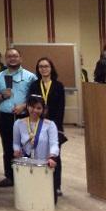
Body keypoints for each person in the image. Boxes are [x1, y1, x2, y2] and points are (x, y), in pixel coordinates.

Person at [0, 47, 37, 187]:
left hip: (24, 116)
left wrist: (24, 105)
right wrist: (2, 96)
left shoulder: (30, 77)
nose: (12, 58)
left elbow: (36, 98)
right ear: (6, 59)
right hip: (5, 116)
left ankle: (25, 174)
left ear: (20, 58)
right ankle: (10, 176)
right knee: (8, 146)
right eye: (9, 56)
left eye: (15, 56)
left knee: (26, 146)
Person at [29, 57, 65, 196]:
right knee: (37, 154)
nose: (43, 69)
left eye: (46, 66)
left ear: (51, 68)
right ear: (38, 69)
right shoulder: (34, 85)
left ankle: (56, 186)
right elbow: (31, 105)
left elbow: (61, 108)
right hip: (37, 124)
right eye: (41, 67)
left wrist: (58, 127)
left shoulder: (58, 86)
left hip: (54, 124)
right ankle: (39, 183)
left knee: (54, 156)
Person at [12, 95, 59, 201]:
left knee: (46, 198)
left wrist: (53, 156)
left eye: (38, 108)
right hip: (26, 162)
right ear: (27, 107)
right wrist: (16, 150)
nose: (35, 110)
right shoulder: (18, 123)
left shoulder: (50, 125)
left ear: (43, 110)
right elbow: (16, 143)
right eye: (32, 107)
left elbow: (54, 143)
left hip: (44, 163)